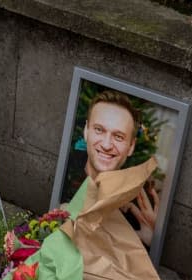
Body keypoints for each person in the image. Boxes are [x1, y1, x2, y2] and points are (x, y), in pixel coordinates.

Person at [64, 90, 160, 247]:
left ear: (131, 146)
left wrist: (152, 242)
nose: (107, 145)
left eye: (118, 137)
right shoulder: (63, 179)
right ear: (86, 131)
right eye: (99, 130)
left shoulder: (136, 210)